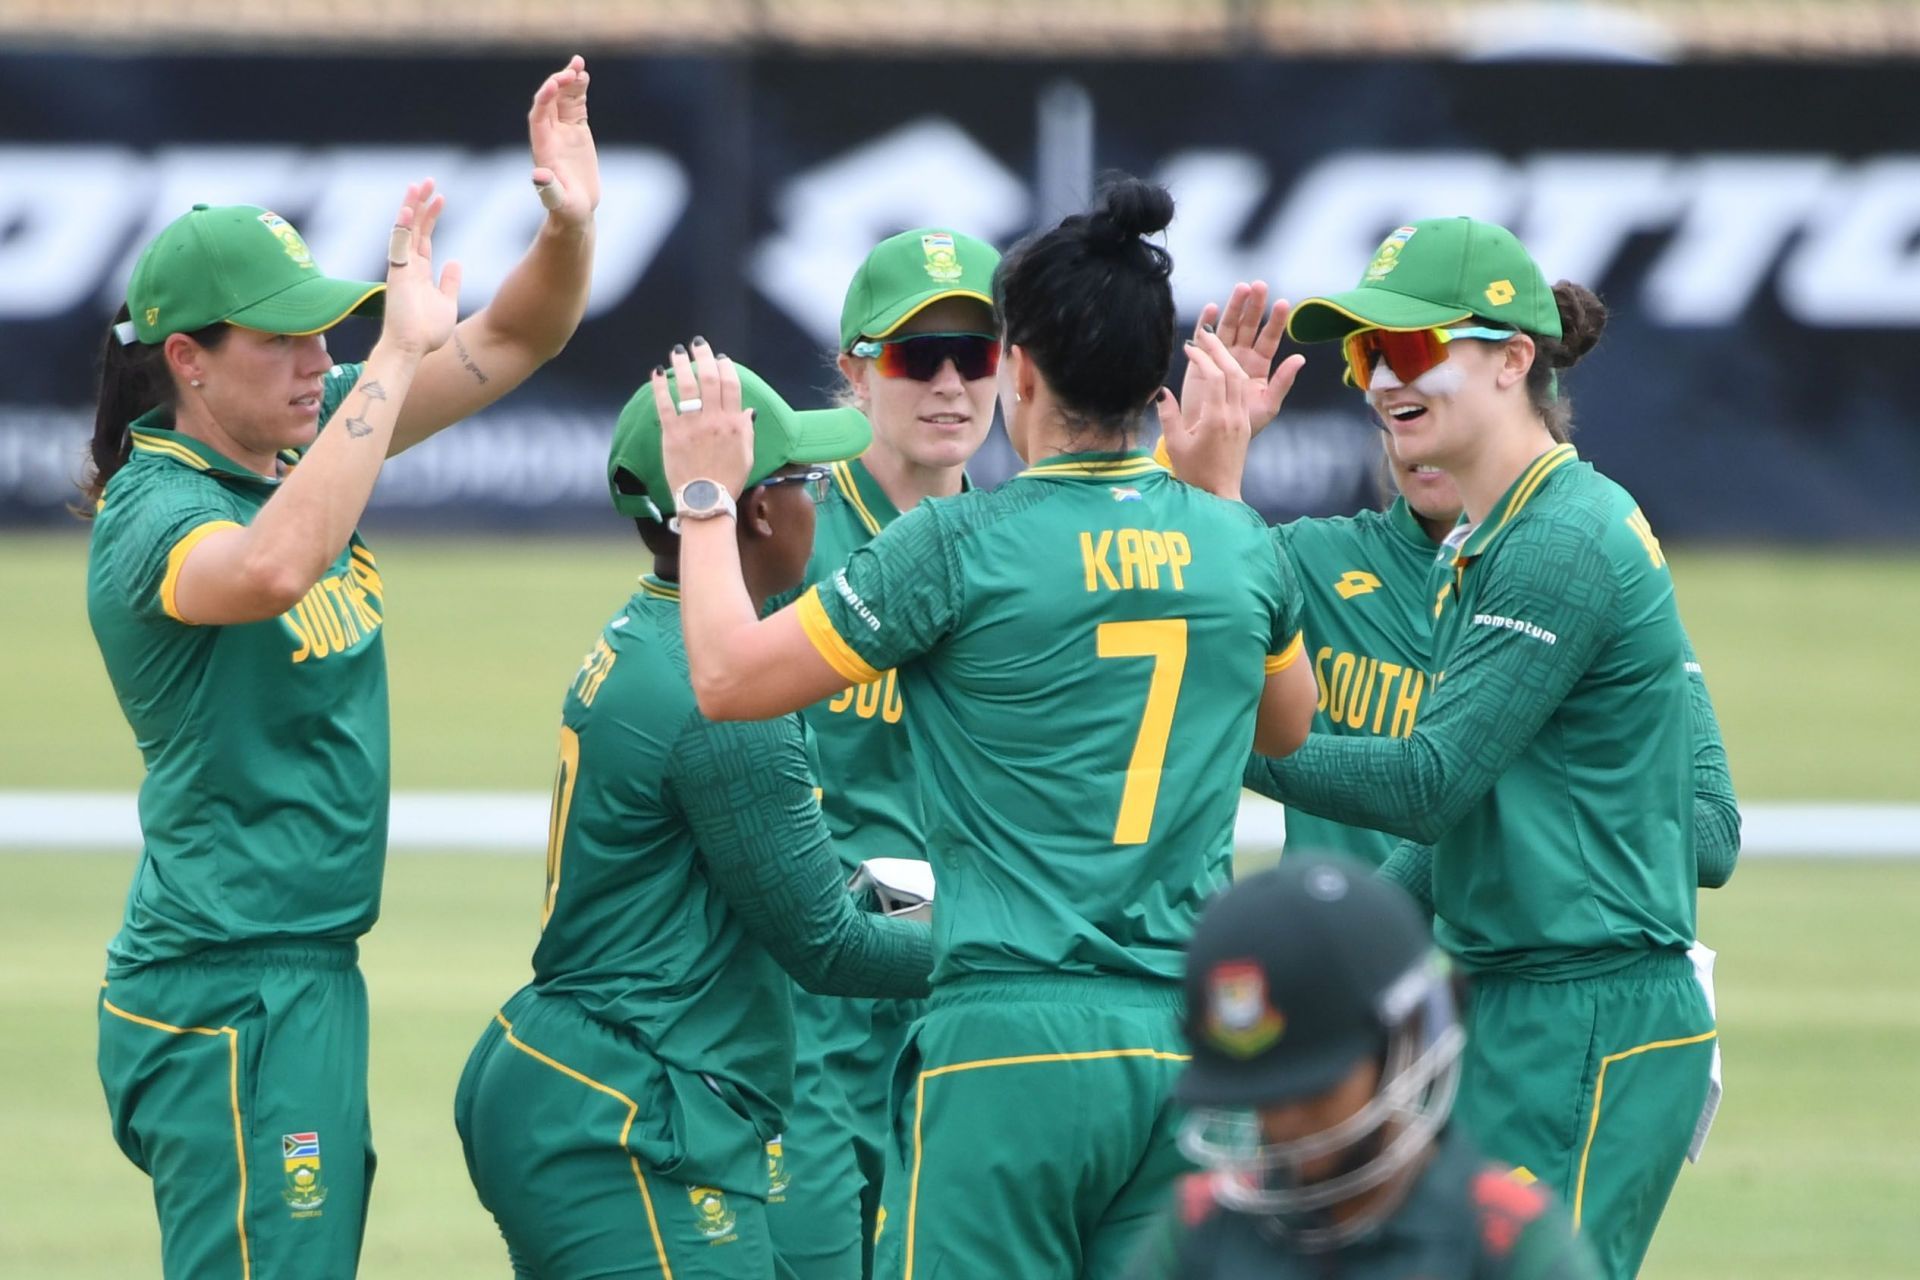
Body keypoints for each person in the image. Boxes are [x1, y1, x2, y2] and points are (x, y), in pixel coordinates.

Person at [654, 176, 1320, 1279]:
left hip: (1010, 1032)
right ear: (1159, 383)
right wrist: (1210, 492)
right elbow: (1287, 730)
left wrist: (709, 498)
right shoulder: (1242, 544)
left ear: (1020, 368)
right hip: (1188, 1040)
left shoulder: (962, 543)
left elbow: (723, 676)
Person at [86, 57, 599, 1279]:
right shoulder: (155, 512)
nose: (321, 356)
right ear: (187, 360)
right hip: (226, 993)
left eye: (331, 328)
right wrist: (386, 365)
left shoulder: (291, 455)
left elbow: (522, 332)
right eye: (284, 337)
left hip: (301, 978)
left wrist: (568, 224)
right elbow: (268, 571)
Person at [1212, 218, 1718, 1280]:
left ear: (1513, 359)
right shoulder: (1494, 541)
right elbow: (1472, 818)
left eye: (1409, 347)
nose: (1379, 377)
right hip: (1516, 1000)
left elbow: (1427, 781)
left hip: (1584, 1006)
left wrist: (1211, 728)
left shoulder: (1562, 540)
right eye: (1365, 354)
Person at [454, 361, 934, 1278]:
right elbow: (828, 947)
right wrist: (1007, 943)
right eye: (805, 480)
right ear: (754, 512)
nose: (822, 498)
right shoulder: (723, 704)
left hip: (584, 1077)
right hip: (629, 1108)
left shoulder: (658, 626)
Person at [1167, 282, 1741, 879]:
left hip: (1505, 961)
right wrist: (1193, 481)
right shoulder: (1306, 560)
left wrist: (1499, 786)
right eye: (1375, 364)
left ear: (1512, 375)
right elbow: (1139, 616)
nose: (1394, 389)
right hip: (1354, 959)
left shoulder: (1578, 564)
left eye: (1420, 361)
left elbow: (1711, 835)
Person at [764, 227, 1002, 1280]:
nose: (950, 383)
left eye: (977, 354)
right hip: (815, 995)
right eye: (917, 356)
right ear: (855, 370)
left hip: (973, 998)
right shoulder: (790, 538)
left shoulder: (1020, 546)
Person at [1127, 854, 1600, 1280]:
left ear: (1399, 1049)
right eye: (1261, 1096)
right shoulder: (1200, 1224)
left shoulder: (1504, 1237)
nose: (1283, 1123)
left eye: (1315, 1090)